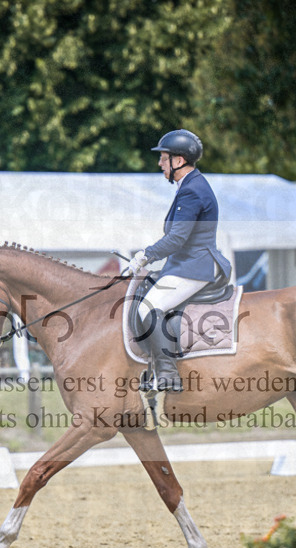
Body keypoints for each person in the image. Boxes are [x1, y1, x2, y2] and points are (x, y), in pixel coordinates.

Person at [122, 129, 232, 392]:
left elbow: (176, 240)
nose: (160, 164)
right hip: (187, 262)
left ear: (179, 160)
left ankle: (167, 374)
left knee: (147, 308)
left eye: (163, 158)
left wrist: (144, 255)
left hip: (196, 266)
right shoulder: (190, 186)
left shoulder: (192, 190)